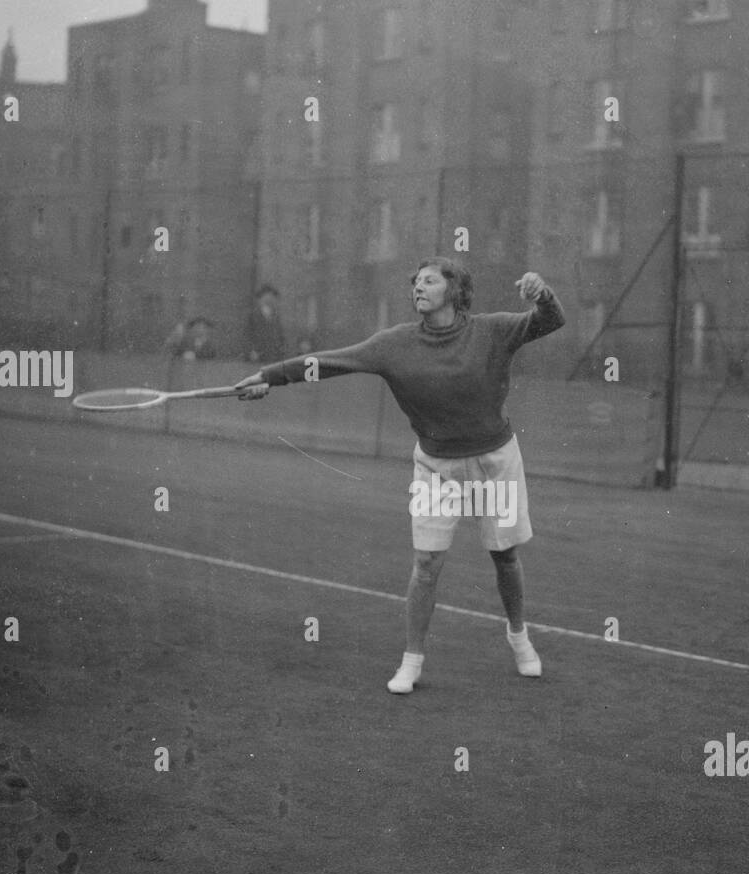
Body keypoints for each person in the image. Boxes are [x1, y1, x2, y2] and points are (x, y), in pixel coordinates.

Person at [235, 257, 565, 694]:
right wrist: (268, 377)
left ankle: (519, 637)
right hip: (436, 467)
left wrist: (542, 293)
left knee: (504, 556)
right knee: (427, 563)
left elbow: (551, 320)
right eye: (416, 282)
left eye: (430, 280)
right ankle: (411, 661)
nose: (418, 287)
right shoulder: (393, 344)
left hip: (495, 462)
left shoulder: (492, 330)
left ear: (455, 289)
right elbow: (329, 361)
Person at [244, 284, 287, 364]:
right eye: (265, 297)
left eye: (272, 297)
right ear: (260, 299)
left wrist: (281, 349)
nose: (269, 299)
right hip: (258, 356)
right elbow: (247, 335)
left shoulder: (276, 317)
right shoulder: (253, 316)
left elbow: (280, 336)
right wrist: (251, 350)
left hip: (274, 357)